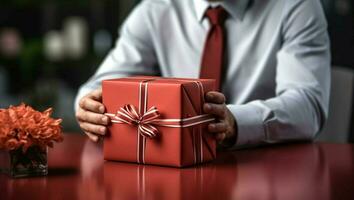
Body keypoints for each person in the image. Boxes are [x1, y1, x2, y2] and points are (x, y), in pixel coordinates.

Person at [75, 0, 330, 149]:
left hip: (268, 168)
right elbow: (99, 85)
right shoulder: (155, 9)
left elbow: (308, 105)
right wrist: (88, 103)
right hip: (173, 168)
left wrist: (237, 122)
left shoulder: (297, 6)